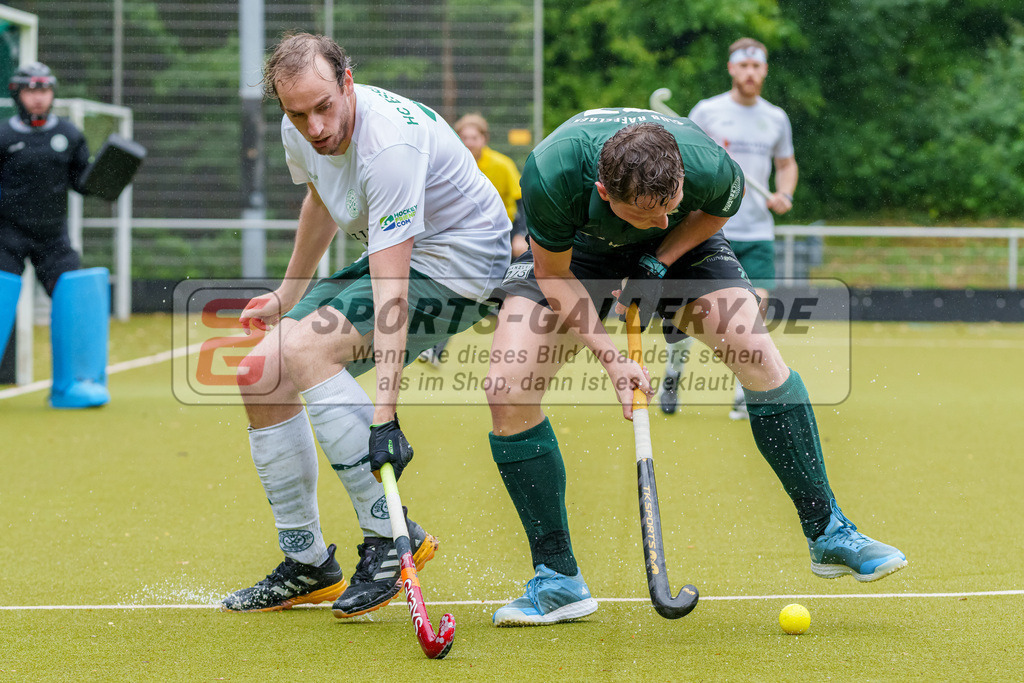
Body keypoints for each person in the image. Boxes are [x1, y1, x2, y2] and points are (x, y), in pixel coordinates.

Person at [425, 108, 905, 627]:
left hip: (683, 251)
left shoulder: (707, 165)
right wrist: (612, 358)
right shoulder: (552, 173)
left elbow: (716, 212)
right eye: (643, 214)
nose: (658, 219)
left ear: (681, 178)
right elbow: (553, 275)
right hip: (575, 252)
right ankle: (558, 578)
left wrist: (661, 254)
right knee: (506, 387)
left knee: (757, 352)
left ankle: (827, 530)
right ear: (605, 193)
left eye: (668, 205)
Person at [219, 34, 511, 615]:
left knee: (306, 352)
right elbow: (322, 202)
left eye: (325, 107)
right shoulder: (299, 124)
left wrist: (385, 413)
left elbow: (392, 291)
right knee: (258, 372)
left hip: (460, 265)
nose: (316, 127)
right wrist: (288, 293)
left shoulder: (388, 148)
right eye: (298, 113)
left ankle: (388, 536)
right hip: (403, 248)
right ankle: (306, 563)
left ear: (348, 82)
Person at [659, 38, 798, 420]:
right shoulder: (708, 111)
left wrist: (784, 192)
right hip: (706, 226)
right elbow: (680, 159)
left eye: (757, 66)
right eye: (744, 65)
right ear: (731, 68)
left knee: (754, 310)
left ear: (765, 70)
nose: (750, 72)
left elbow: (786, 164)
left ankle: (745, 390)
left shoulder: (776, 117)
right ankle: (673, 373)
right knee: (682, 311)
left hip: (756, 231)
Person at [0, 61, 110, 408]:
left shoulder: (69, 134)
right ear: (18, 94)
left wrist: (110, 176)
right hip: (6, 236)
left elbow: (82, 183)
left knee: (76, 296)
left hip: (53, 238)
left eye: (44, 90)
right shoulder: (3, 135)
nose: (38, 98)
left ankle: (75, 385)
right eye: (31, 91)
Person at [417, 112, 528, 368]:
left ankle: (518, 344)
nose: (468, 142)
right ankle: (434, 348)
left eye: (473, 137)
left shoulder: (502, 165)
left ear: (484, 139)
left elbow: (521, 202)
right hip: (464, 231)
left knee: (507, 293)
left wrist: (521, 234)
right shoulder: (449, 163)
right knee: (450, 286)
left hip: (504, 231)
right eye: (463, 137)